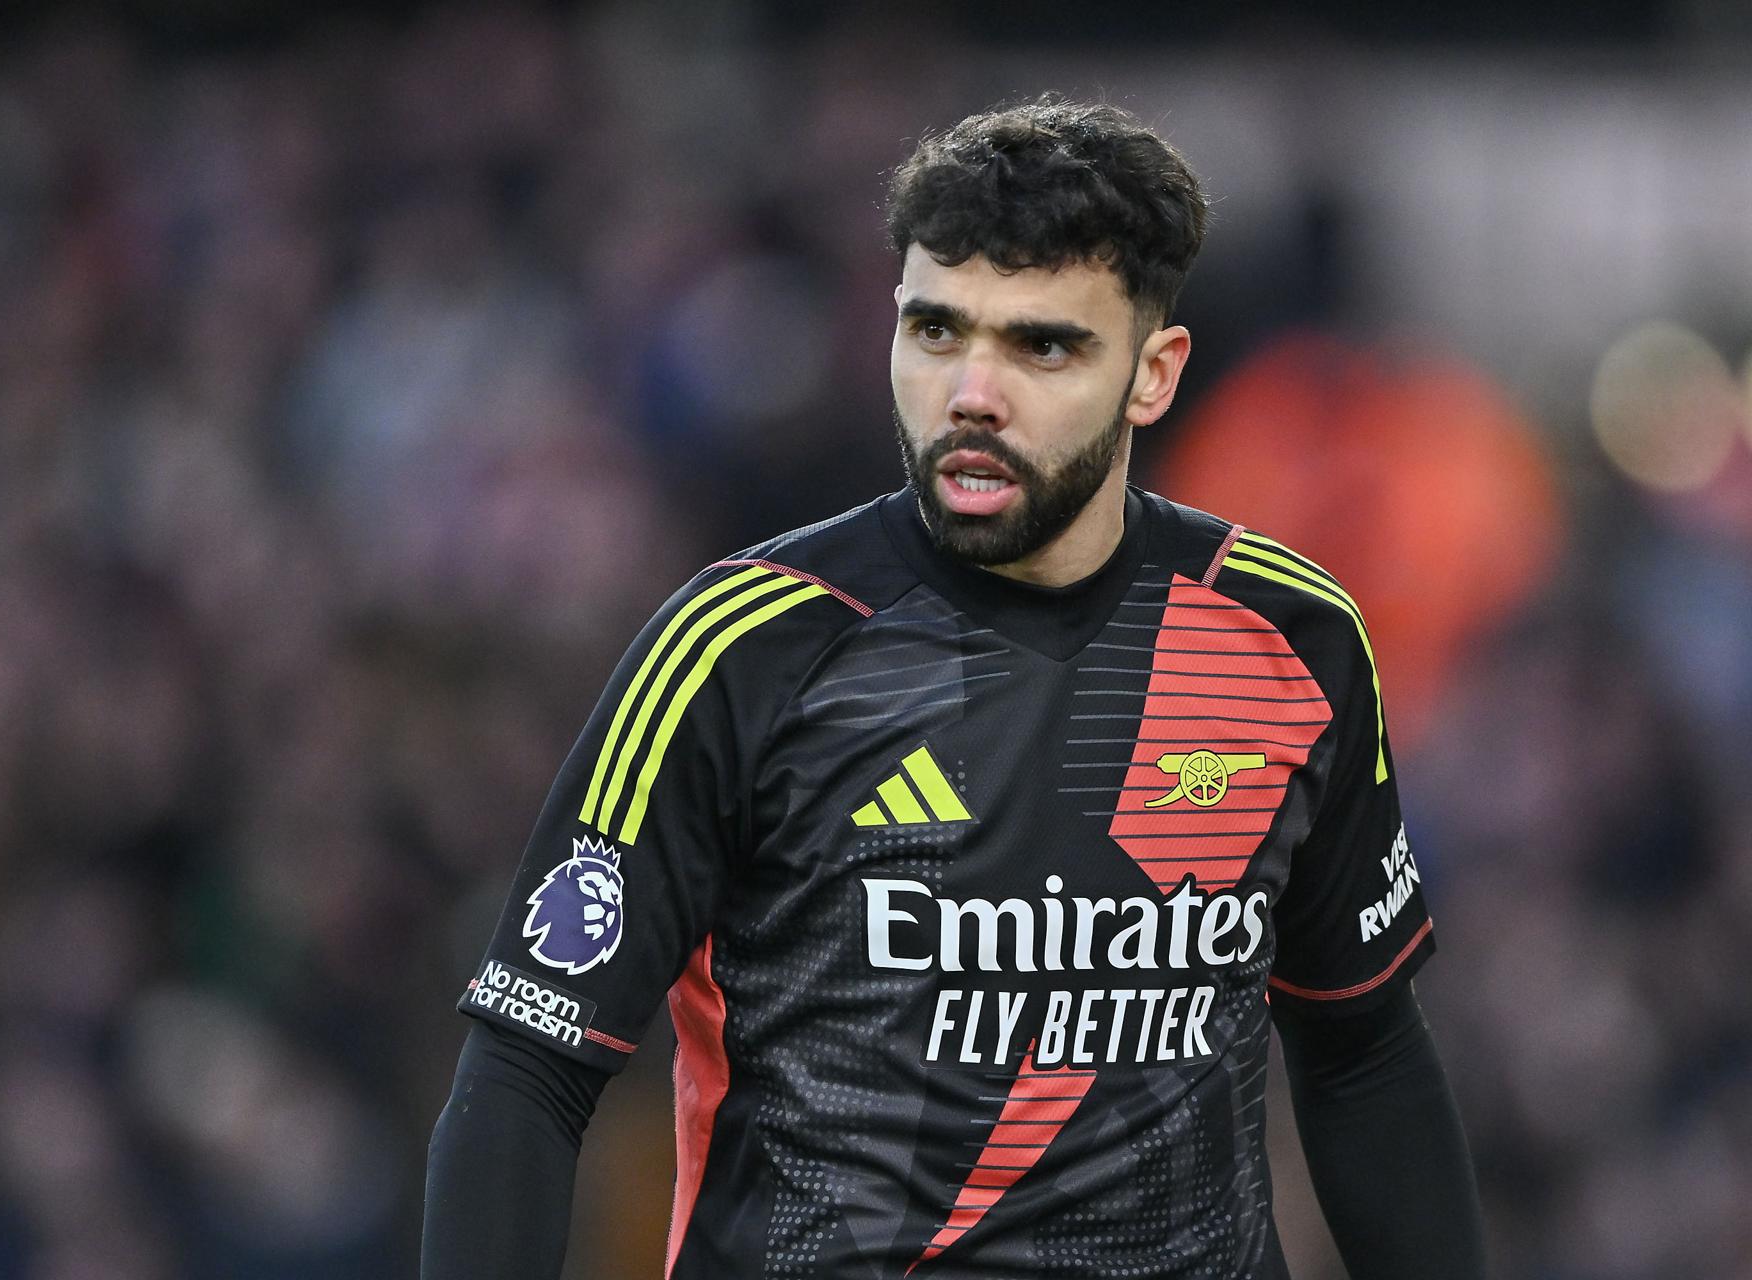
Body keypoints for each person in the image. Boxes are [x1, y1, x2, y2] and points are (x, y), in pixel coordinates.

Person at [423, 97, 1486, 1279]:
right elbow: (527, 1064)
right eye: (936, 332)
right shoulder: (741, 649)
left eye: (1042, 344)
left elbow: (1363, 1047)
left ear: (1153, 373)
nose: (971, 392)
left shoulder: (1294, 639)